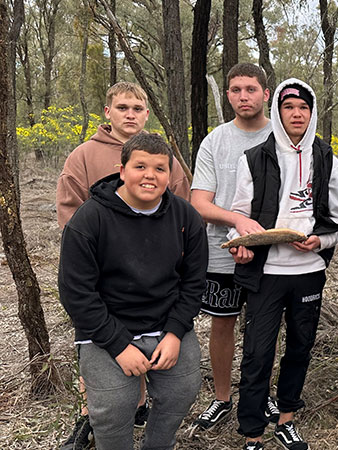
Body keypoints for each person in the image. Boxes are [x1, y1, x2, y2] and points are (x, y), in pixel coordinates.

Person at [56, 81, 189, 449]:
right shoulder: (83, 156)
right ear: (108, 112)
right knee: (108, 377)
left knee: (151, 358)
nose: (130, 114)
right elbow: (72, 215)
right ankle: (96, 419)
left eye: (137, 108)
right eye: (123, 108)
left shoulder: (165, 157)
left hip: (154, 285)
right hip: (101, 284)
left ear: (146, 113)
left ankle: (141, 407)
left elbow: (180, 212)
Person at [226, 78, 338, 450]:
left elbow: (337, 219)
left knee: (300, 345)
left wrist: (320, 240)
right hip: (266, 274)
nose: (297, 114)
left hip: (308, 272)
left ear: (311, 114)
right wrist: (240, 244)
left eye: (304, 108)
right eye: (289, 107)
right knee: (258, 351)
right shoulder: (255, 158)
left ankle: (287, 418)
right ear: (278, 111)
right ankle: (252, 432)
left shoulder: (327, 159)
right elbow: (238, 214)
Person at [190, 63, 277, 431]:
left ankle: (262, 395)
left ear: (265, 94)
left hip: (272, 254)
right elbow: (200, 202)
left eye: (251, 89)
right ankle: (223, 398)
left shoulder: (282, 136)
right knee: (222, 324)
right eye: (237, 90)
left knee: (265, 327)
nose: (244, 96)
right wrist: (238, 223)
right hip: (222, 252)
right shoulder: (216, 141)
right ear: (227, 95)